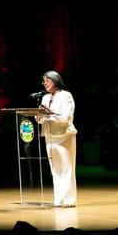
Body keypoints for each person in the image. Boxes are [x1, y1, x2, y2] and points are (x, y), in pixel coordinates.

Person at [38, 71, 77, 207]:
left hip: (63, 136)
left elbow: (67, 117)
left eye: (48, 80)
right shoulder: (45, 98)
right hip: (49, 135)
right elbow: (41, 119)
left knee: (67, 168)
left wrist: (50, 114)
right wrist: (39, 115)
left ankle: (69, 200)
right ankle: (58, 199)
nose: (45, 83)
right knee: (55, 169)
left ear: (55, 80)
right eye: (44, 81)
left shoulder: (66, 95)